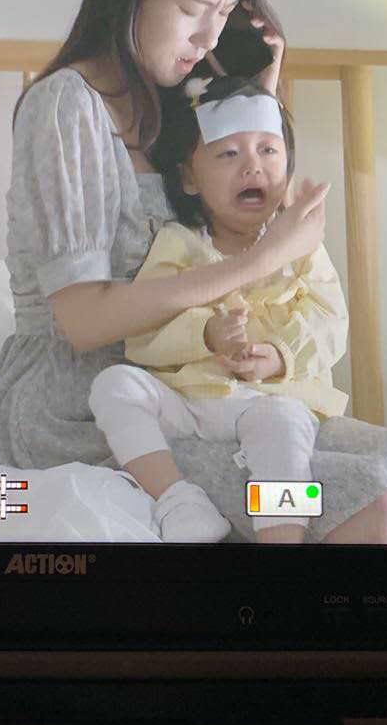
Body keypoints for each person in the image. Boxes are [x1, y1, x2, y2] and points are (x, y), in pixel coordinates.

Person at [0, 0, 387, 543]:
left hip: (198, 381)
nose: (207, 36)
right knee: (366, 501)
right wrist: (261, 259)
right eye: (193, 8)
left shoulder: (182, 103)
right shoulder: (66, 107)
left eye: (225, 14)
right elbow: (83, 322)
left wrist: (257, 91)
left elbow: (241, 227)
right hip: (85, 398)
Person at [88, 75, 347, 543]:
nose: (252, 167)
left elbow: (330, 322)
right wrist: (205, 334)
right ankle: (178, 499)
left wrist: (279, 354)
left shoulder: (302, 246)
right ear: (189, 178)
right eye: (228, 154)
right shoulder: (178, 243)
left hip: (268, 401)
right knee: (114, 384)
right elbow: (143, 334)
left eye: (268, 150)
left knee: (283, 424)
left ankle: (282, 538)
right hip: (188, 401)